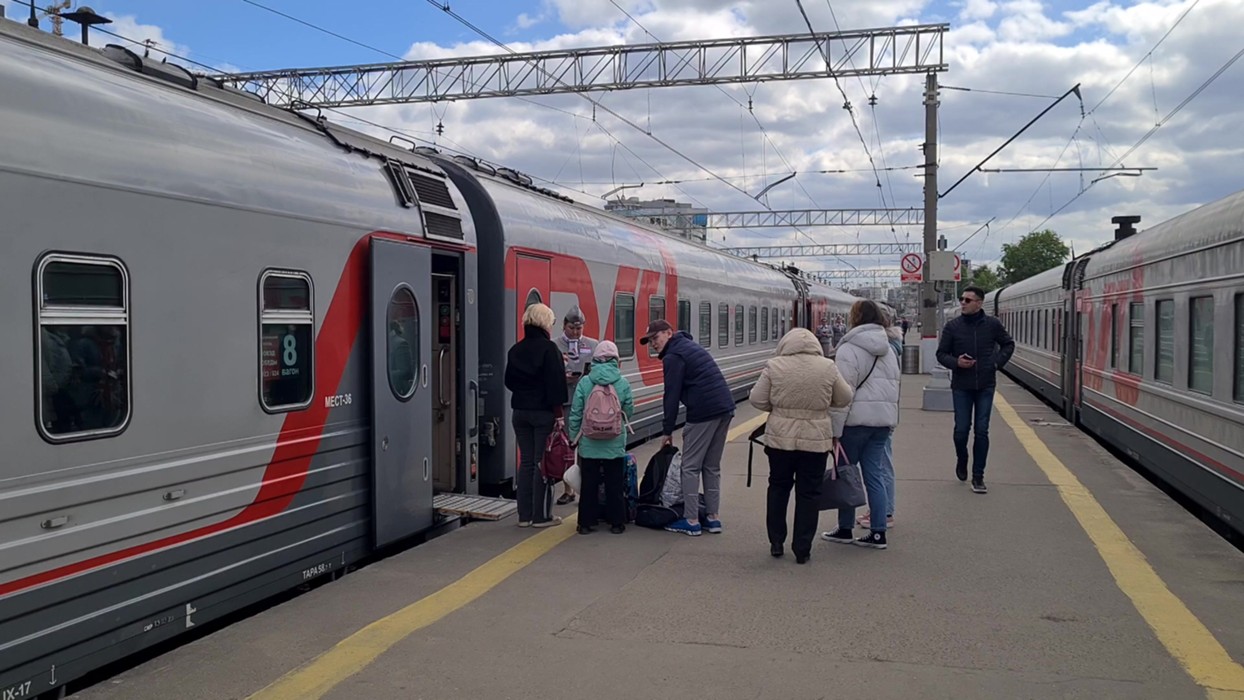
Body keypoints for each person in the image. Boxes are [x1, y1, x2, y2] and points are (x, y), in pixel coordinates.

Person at [750, 328, 853, 564]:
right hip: (815, 440)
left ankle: (776, 541)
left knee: (778, 487)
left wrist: (778, 411)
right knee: (809, 494)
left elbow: (757, 399)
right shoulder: (827, 366)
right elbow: (844, 397)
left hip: (779, 440)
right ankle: (802, 549)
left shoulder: (775, 365)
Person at [640, 319, 734, 536]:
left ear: (668, 333)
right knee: (711, 466)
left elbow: (671, 396)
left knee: (690, 467)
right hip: (724, 408)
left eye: (656, 338)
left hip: (703, 412)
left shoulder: (674, 356)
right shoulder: (689, 346)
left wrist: (666, 430)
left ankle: (690, 520)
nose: (653, 343)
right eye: (650, 340)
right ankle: (713, 518)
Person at [821, 299, 901, 550]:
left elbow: (843, 393)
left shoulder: (847, 349)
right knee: (874, 475)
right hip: (882, 422)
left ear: (854, 318)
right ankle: (878, 533)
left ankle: (845, 529)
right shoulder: (889, 349)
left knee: (846, 474)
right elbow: (893, 387)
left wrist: (834, 429)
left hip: (854, 423)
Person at [935, 285, 1015, 494]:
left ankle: (978, 476)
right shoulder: (953, 327)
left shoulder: (992, 325)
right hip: (962, 385)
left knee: (982, 431)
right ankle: (962, 458)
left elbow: (1008, 344)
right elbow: (941, 354)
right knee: (961, 430)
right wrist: (956, 362)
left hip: (986, 385)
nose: (962, 302)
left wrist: (996, 363)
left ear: (979, 303)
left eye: (968, 300)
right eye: (962, 299)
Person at [504, 303, 569, 528]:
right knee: (542, 464)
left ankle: (524, 516)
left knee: (527, 464)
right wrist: (559, 414)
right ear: (544, 323)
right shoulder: (549, 349)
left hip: (519, 413)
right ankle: (541, 517)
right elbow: (556, 385)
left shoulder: (516, 349)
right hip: (542, 414)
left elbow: (508, 381)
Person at [568, 340, 634, 535]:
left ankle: (586, 523)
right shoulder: (622, 382)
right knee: (615, 483)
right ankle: (617, 523)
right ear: (616, 360)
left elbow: (576, 412)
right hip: (614, 442)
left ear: (595, 359)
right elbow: (628, 409)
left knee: (589, 484)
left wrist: (574, 437)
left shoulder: (586, 382)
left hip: (589, 441)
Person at [857, 310, 903, 529]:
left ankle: (884, 514)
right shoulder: (893, 346)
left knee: (879, 466)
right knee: (881, 464)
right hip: (886, 411)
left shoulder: (874, 348)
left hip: (868, 414)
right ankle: (882, 513)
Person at [554, 307, 599, 506]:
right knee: (566, 446)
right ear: (564, 325)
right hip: (564, 400)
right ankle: (567, 488)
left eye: (579, 328)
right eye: (572, 328)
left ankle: (584, 489)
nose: (575, 332)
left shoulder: (593, 345)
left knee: (585, 446)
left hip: (587, 401)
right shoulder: (554, 346)